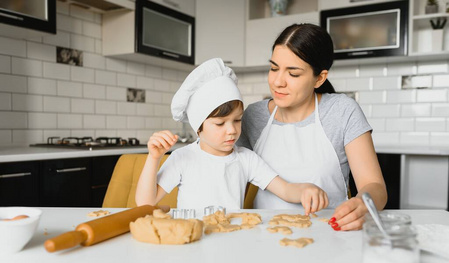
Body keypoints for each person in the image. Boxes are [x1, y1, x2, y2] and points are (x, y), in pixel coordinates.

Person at [237, 24, 387, 231]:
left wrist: (362, 204)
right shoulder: (253, 116)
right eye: (273, 68)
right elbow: (232, 179)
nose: (278, 81)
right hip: (266, 235)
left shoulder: (342, 111)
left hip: (332, 233)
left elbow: (375, 186)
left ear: (319, 78)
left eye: (293, 74)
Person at [135, 58, 328, 214]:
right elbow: (145, 202)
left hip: (233, 240)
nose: (232, 130)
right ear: (198, 127)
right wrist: (154, 158)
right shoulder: (182, 158)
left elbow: (285, 189)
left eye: (237, 120)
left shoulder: (246, 159)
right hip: (192, 242)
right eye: (220, 123)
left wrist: (305, 190)